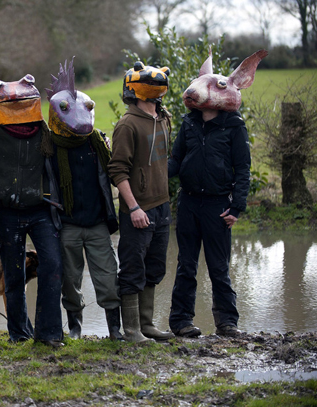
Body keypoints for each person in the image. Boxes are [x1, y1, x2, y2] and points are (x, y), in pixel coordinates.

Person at [168, 50, 266, 338]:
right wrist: (153, 174)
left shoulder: (234, 126)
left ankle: (227, 323)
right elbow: (175, 160)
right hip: (188, 203)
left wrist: (237, 208)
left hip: (218, 206)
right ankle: (181, 322)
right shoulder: (188, 123)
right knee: (186, 265)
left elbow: (243, 169)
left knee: (219, 267)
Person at [0, 74, 65, 348]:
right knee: (12, 273)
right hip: (7, 212)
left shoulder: (46, 133)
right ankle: (19, 334)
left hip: (41, 210)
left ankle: (49, 333)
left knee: (51, 264)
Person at [46, 59, 122, 341]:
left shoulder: (99, 142)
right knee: (70, 280)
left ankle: (115, 329)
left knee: (108, 277)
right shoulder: (49, 147)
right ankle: (75, 328)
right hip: (66, 224)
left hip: (98, 223)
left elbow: (116, 172)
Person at [107, 62, 174, 343]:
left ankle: (146, 325)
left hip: (162, 205)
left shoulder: (163, 118)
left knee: (155, 267)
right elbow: (117, 171)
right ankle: (132, 330)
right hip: (138, 209)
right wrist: (133, 207)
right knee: (133, 268)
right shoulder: (127, 125)